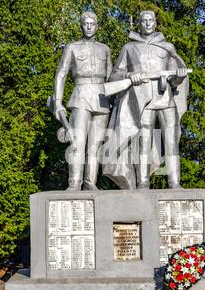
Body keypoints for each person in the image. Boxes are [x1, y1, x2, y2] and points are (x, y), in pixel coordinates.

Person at [104, 10, 189, 189]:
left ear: (156, 23)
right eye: (144, 21)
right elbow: (114, 76)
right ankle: (143, 183)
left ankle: (174, 183)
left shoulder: (167, 47)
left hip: (166, 100)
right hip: (142, 102)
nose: (148, 24)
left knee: (172, 141)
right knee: (143, 141)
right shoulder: (129, 48)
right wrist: (129, 75)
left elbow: (174, 80)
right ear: (139, 24)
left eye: (151, 20)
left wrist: (179, 77)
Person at [53, 12, 112, 190]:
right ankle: (74, 183)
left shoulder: (105, 49)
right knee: (77, 143)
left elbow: (111, 77)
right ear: (81, 25)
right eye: (85, 23)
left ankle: (90, 182)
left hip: (102, 99)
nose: (88, 27)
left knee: (95, 146)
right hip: (81, 96)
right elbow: (61, 74)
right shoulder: (72, 48)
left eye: (92, 23)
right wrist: (57, 101)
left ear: (97, 26)